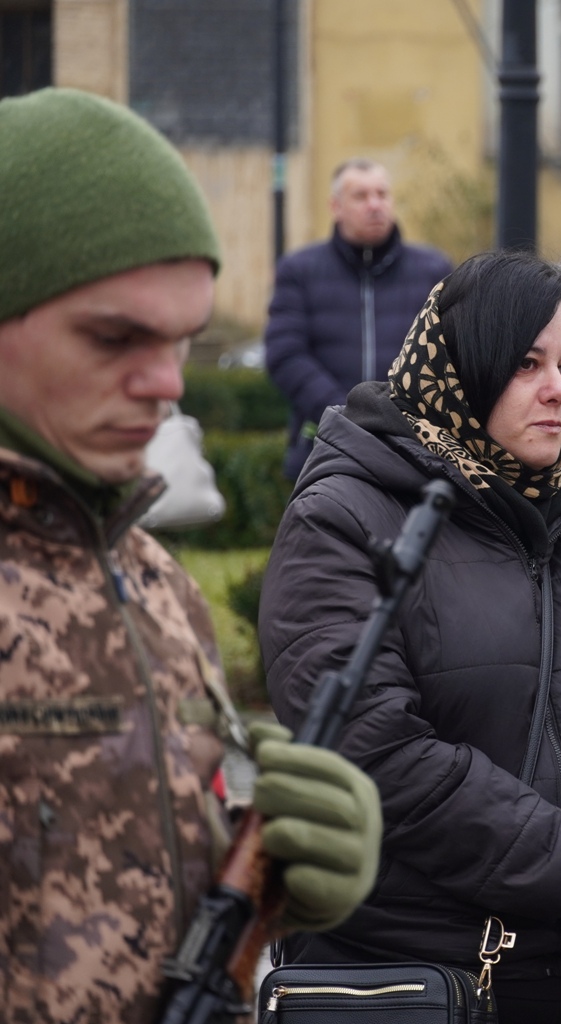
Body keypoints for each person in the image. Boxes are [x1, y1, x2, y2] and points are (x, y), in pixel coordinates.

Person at [258, 250, 561, 1023]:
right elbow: (370, 746)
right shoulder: (346, 517)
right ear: (461, 366)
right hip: (416, 979)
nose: (558, 389)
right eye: (525, 363)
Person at [0, 87, 381, 1024]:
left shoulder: (153, 580)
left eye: (181, 339)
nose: (167, 383)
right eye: (115, 336)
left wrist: (284, 878)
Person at [264, 158, 454, 478]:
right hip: (322, 449)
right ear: (335, 206)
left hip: (413, 451)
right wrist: (347, 414)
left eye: (382, 194)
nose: (375, 205)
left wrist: (397, 419)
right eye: (361, 196)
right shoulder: (300, 270)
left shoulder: (433, 270)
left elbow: (449, 354)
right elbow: (285, 354)